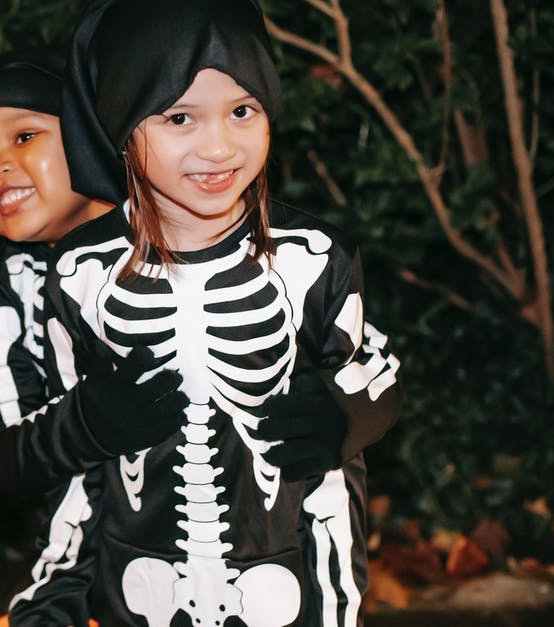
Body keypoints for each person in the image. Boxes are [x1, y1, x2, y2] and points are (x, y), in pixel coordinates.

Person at [40, 1, 405, 625]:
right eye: (180, 117)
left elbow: (375, 372)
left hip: (284, 583)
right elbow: (72, 458)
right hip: (138, 586)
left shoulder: (315, 260)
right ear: (123, 127)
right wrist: (56, 597)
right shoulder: (82, 274)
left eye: (243, 110)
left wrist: (345, 417)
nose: (219, 147)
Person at [0, 46, 175, 626]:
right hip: (83, 581)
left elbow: (356, 372)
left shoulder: (189, 234)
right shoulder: (7, 282)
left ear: (86, 133)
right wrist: (87, 425)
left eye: (23, 136)